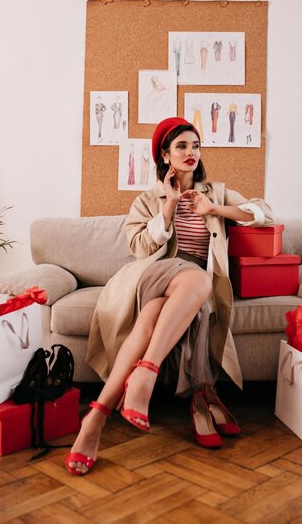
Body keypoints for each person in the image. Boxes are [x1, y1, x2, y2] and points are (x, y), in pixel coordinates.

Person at [66, 117, 273, 475]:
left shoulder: (218, 192)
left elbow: (263, 214)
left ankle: (95, 419)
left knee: (155, 315)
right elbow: (140, 249)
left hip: (189, 286)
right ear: (165, 154)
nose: (191, 152)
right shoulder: (147, 200)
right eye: (181, 146)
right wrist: (168, 208)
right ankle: (148, 375)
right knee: (195, 281)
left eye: (195, 145)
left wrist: (214, 210)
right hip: (154, 274)